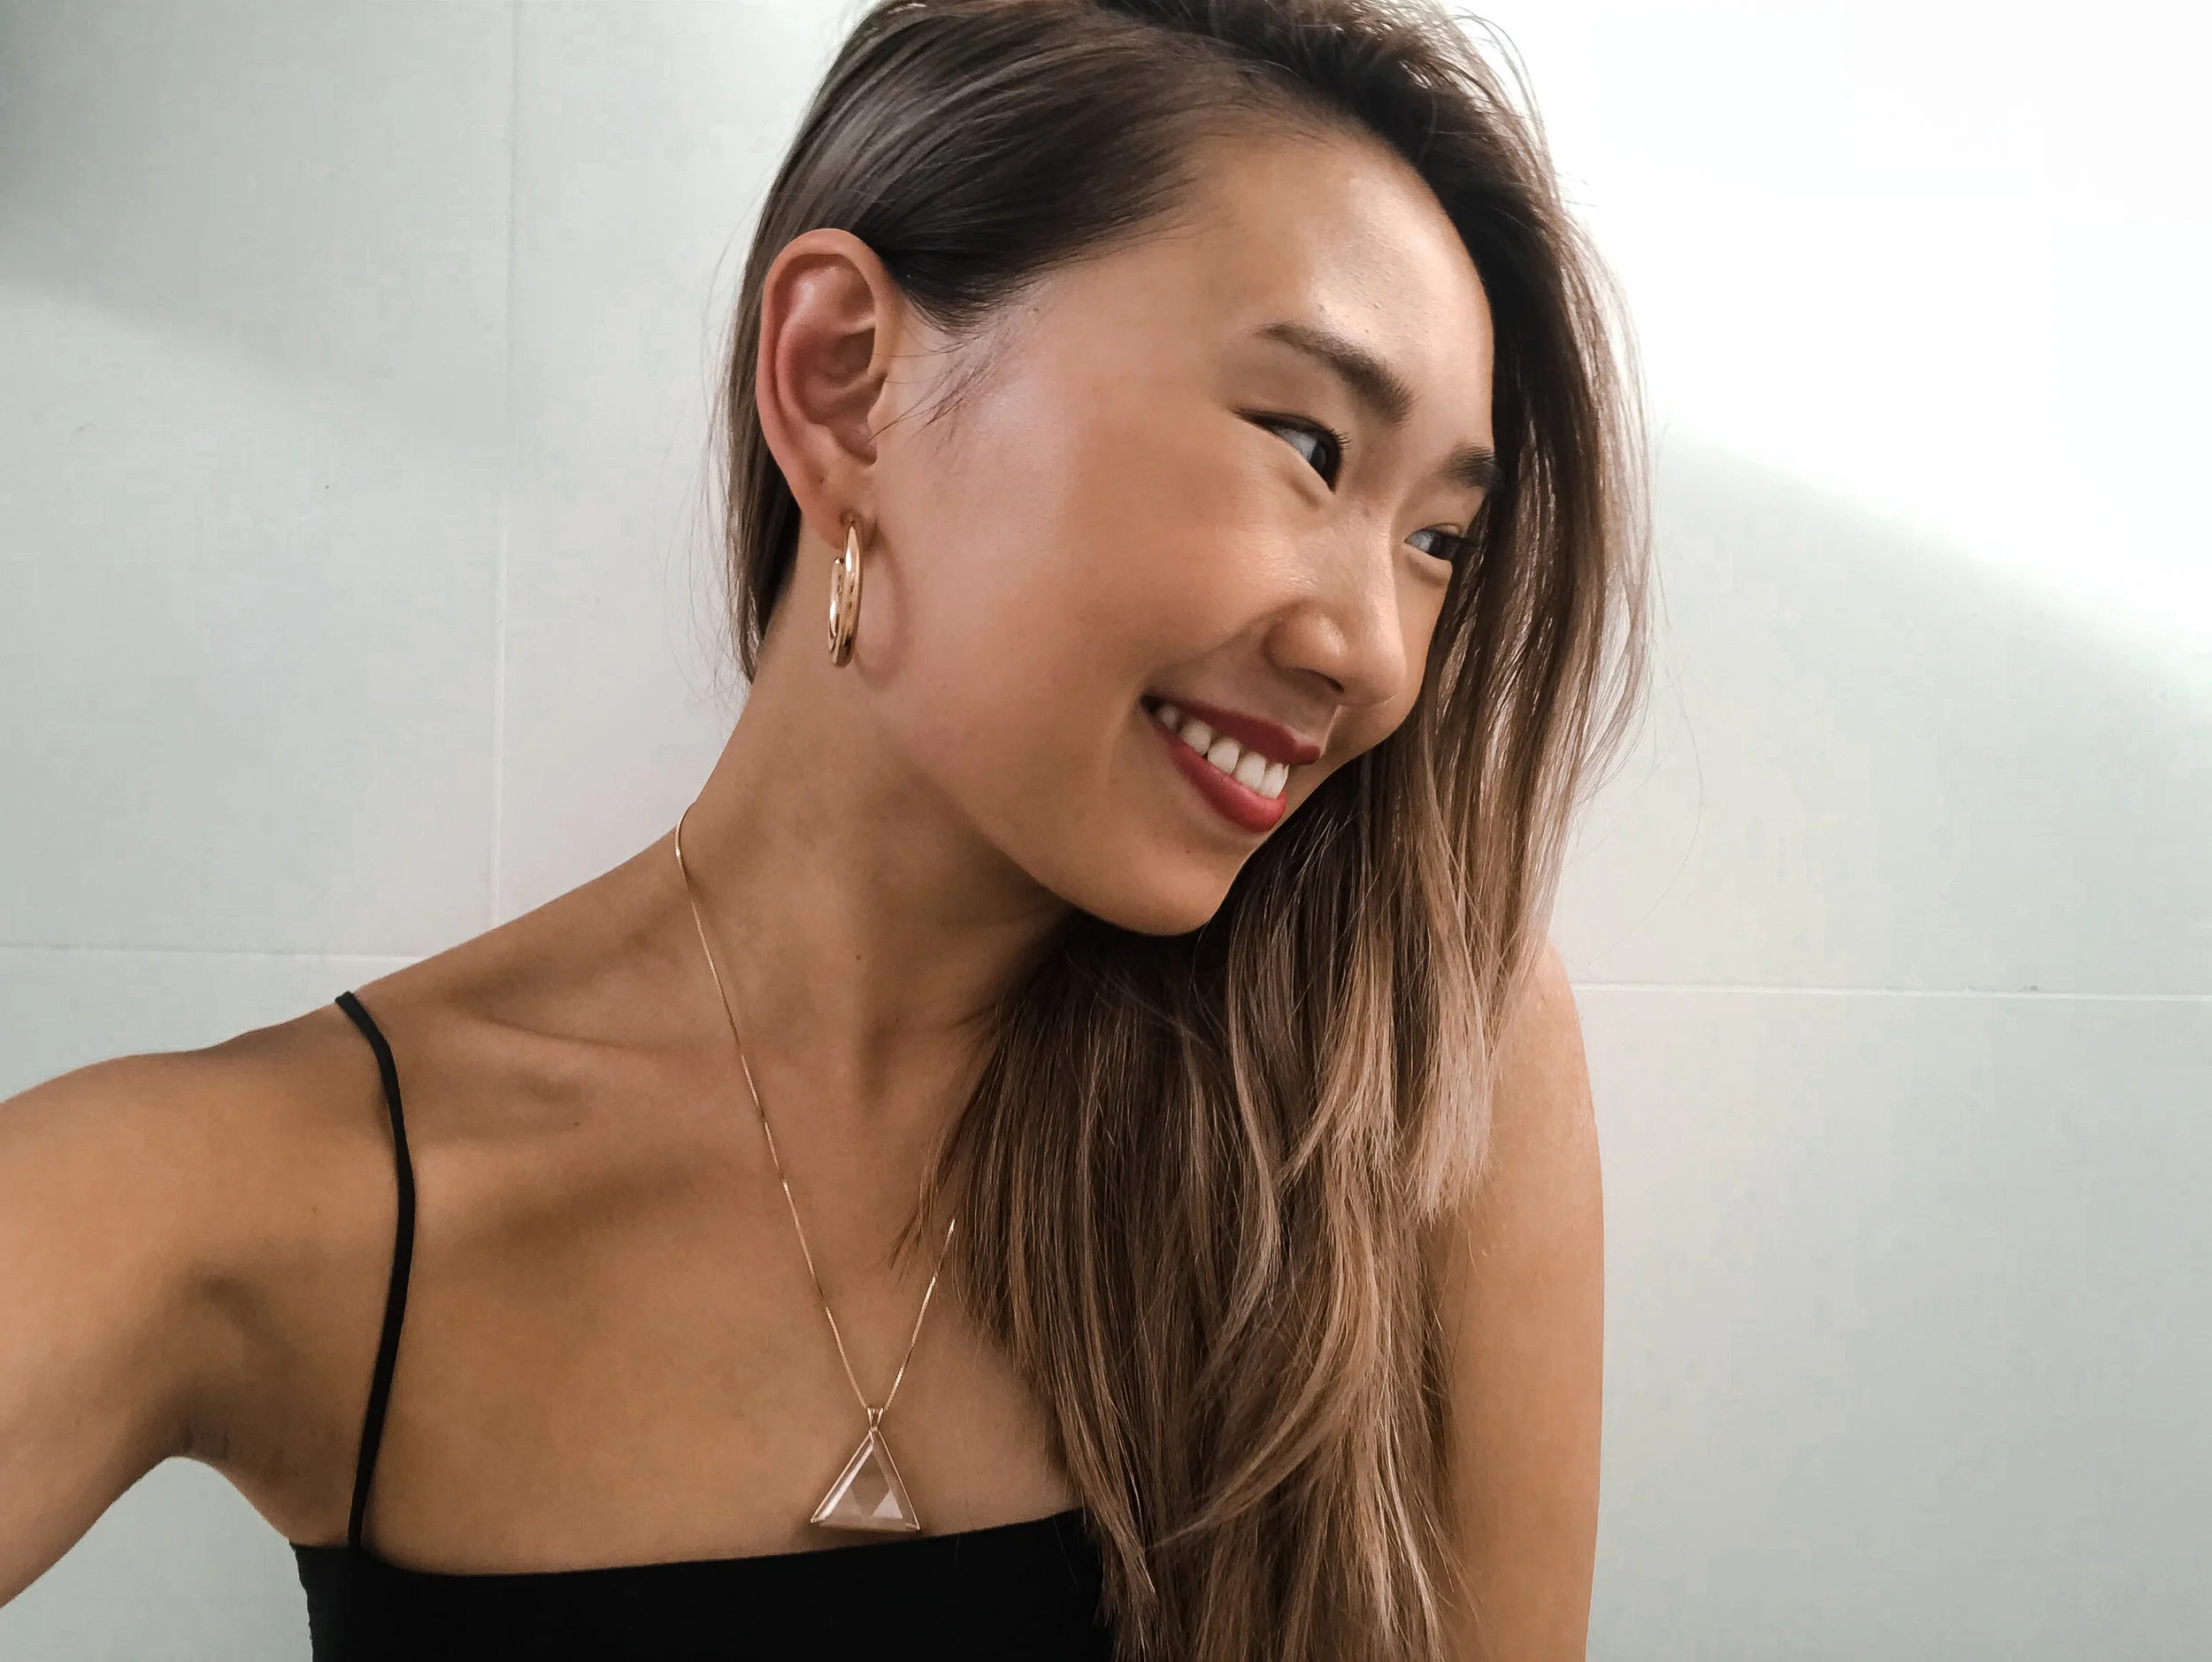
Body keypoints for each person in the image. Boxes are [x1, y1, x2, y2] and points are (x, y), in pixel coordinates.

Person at [0, 0, 1648, 1656]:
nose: (1375, 655)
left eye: (1439, 541)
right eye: (1306, 445)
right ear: (848, 381)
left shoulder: (1403, 1071)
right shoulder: (276, 1199)